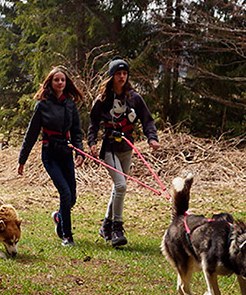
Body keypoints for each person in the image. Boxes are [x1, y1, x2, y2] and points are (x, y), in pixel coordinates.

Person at [87, 56, 160, 248]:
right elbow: (93, 122)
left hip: (127, 147)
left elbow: (147, 120)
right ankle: (117, 227)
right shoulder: (102, 99)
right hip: (109, 147)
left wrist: (152, 138)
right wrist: (92, 142)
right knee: (121, 186)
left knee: (118, 188)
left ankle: (105, 226)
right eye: (118, 74)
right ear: (111, 76)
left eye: (124, 73)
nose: (122, 77)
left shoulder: (134, 97)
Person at [18, 66, 85, 247]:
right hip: (50, 154)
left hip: (66, 153)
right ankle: (67, 236)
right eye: (56, 80)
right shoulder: (42, 105)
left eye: (62, 80)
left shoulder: (70, 105)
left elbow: (76, 132)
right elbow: (31, 134)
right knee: (64, 193)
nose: (60, 82)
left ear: (66, 82)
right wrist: (22, 160)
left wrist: (80, 152)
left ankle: (58, 216)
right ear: (50, 82)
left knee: (72, 198)